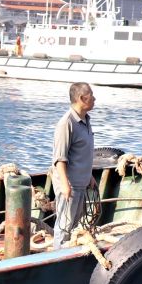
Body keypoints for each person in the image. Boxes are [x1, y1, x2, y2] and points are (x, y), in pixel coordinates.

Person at [50, 82, 96, 247]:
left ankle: (69, 255)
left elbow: (81, 152)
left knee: (75, 227)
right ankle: (58, 256)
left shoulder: (85, 120)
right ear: (82, 98)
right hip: (70, 186)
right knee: (64, 227)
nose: (95, 99)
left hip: (81, 183)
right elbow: (59, 158)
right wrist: (65, 185)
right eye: (91, 95)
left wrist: (89, 176)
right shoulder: (66, 123)